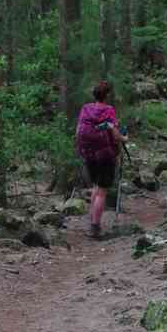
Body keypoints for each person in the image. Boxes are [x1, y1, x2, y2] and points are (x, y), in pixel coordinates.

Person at [75, 81, 127, 238]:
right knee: (102, 191)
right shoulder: (108, 110)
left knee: (96, 187)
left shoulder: (86, 108)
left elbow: (78, 130)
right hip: (105, 155)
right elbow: (115, 134)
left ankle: (93, 221)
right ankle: (95, 226)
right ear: (107, 95)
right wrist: (124, 138)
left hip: (88, 153)